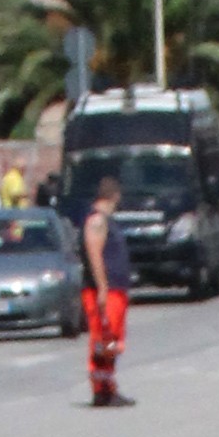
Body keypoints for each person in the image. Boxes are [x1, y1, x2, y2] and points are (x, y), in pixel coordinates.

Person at [77, 173, 134, 408]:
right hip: (105, 293)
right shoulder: (97, 220)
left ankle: (108, 386)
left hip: (116, 292)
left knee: (111, 342)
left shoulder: (106, 221)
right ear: (115, 196)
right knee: (103, 339)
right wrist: (102, 286)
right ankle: (101, 390)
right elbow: (94, 252)